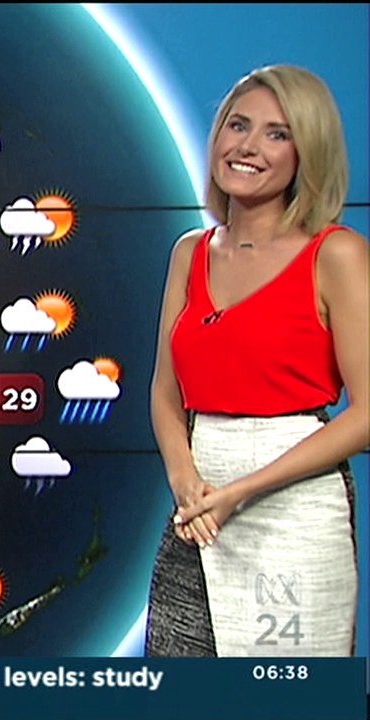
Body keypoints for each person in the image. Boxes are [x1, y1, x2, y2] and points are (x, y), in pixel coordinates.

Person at [146, 65, 368, 656]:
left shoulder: (337, 255)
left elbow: (367, 413)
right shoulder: (189, 254)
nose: (247, 146)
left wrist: (242, 490)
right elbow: (165, 394)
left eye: (277, 134)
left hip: (296, 514)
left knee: (284, 695)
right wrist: (186, 484)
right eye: (238, 125)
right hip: (198, 512)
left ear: (306, 153)